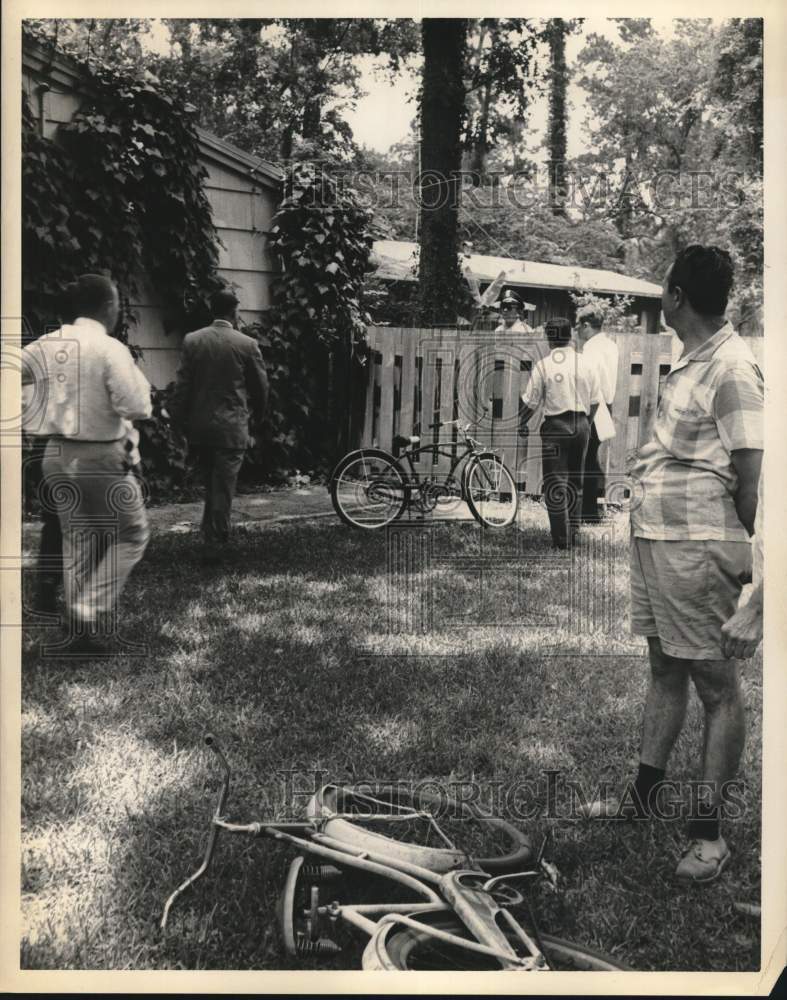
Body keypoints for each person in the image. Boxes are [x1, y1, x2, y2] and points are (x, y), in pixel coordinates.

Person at [582, 245, 763, 883]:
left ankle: (710, 836)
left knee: (716, 687)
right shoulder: (692, 361)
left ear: (677, 296)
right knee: (664, 668)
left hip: (698, 546)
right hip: (659, 539)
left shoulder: (734, 369)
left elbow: (757, 486)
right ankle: (644, 796)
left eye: (664, 284)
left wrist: (757, 580)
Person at [22, 274, 152, 655]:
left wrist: (33, 408)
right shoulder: (109, 348)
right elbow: (136, 406)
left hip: (56, 454)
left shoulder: (48, 344)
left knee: (76, 539)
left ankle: (79, 636)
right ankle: (87, 607)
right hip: (100, 453)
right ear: (108, 307)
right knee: (132, 533)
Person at [170, 289, 269, 563]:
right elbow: (261, 388)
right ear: (234, 311)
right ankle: (217, 544)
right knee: (223, 488)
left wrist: (178, 423)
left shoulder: (193, 340)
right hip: (231, 428)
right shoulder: (247, 344)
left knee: (211, 485)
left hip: (200, 428)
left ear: (212, 310)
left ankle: (208, 536)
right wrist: (257, 418)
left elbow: (182, 387)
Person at [518, 317, 601, 549]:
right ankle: (573, 534)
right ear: (570, 336)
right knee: (576, 482)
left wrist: (521, 423)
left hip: (556, 426)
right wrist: (586, 422)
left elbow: (531, 401)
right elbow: (596, 401)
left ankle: (562, 540)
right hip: (582, 424)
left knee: (556, 484)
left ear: (549, 337)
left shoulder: (544, 365)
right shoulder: (586, 363)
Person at [577, 306, 619, 523]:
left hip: (595, 405)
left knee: (587, 459)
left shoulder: (591, 348)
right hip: (607, 403)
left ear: (586, 326)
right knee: (591, 456)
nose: (577, 331)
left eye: (578, 326)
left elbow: (591, 381)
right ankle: (590, 510)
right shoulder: (611, 345)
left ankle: (589, 512)